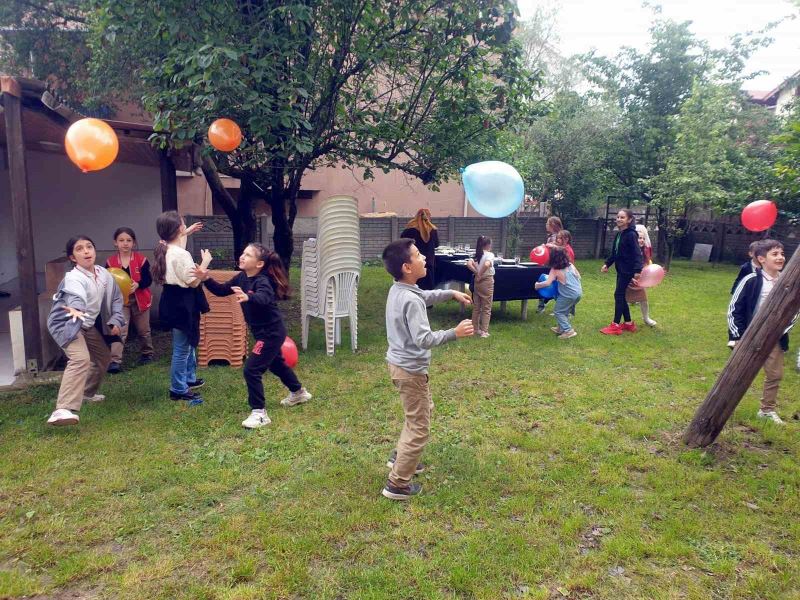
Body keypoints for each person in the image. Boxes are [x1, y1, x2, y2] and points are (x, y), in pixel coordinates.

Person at [381, 238, 473, 500]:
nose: (424, 258)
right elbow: (424, 339)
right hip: (410, 371)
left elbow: (425, 295)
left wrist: (450, 293)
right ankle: (397, 484)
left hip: (400, 366)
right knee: (420, 427)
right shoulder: (411, 301)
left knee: (420, 412)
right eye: (418, 254)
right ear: (407, 267)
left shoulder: (400, 290)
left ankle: (401, 457)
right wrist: (454, 333)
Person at [193, 243, 312, 429]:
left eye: (248, 255)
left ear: (259, 264)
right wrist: (205, 278)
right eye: (243, 253)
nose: (242, 256)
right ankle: (299, 392)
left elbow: (264, 298)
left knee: (251, 370)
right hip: (263, 331)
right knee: (277, 364)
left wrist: (250, 298)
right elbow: (222, 290)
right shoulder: (241, 277)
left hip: (271, 332)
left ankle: (259, 413)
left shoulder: (262, 281)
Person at [46, 235, 126, 426]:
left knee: (103, 358)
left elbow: (116, 298)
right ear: (73, 258)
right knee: (80, 358)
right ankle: (61, 410)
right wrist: (76, 308)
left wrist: (115, 319)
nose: (86, 251)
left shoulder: (104, 274)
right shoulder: (73, 277)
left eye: (89, 246)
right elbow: (76, 297)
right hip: (67, 323)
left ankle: (86, 394)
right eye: (79, 249)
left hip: (86, 325)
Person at [728, 239, 793, 424]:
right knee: (738, 372)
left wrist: (781, 330)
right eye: (775, 254)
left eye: (782, 254)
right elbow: (734, 309)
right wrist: (737, 336)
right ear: (761, 259)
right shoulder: (751, 280)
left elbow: (794, 311)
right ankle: (725, 404)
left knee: (775, 374)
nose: (780, 257)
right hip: (749, 334)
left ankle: (766, 410)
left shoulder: (788, 282)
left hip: (775, 336)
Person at [152, 211, 210, 404]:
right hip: (183, 302)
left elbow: (178, 246)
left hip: (172, 300)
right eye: (184, 225)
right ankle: (178, 388)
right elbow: (192, 282)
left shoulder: (164, 248)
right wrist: (205, 263)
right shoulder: (181, 255)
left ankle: (188, 379)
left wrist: (188, 232)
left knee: (188, 342)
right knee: (182, 348)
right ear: (178, 229)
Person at [105, 227, 154, 372]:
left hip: (140, 299)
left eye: (128, 240)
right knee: (120, 330)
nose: (125, 243)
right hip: (120, 303)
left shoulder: (142, 260)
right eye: (121, 240)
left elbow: (148, 280)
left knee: (144, 330)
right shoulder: (110, 262)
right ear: (115, 243)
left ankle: (147, 354)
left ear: (133, 243)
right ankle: (115, 361)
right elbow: (106, 281)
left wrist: (138, 284)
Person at [600, 209, 643, 335]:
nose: (619, 219)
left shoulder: (631, 234)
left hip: (628, 270)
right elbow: (615, 253)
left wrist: (637, 270)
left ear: (629, 220)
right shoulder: (620, 234)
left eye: (622, 217)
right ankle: (628, 323)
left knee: (618, 295)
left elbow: (637, 253)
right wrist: (607, 264)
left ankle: (615, 325)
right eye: (618, 217)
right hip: (621, 269)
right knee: (620, 295)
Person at [535, 246, 582, 339]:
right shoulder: (570, 265)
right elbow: (578, 276)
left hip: (567, 295)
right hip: (578, 293)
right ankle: (561, 328)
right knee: (565, 311)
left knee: (558, 311)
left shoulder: (555, 269)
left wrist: (537, 285)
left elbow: (547, 282)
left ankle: (568, 331)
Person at [625, 224, 657, 327]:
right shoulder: (629, 251)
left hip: (639, 280)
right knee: (623, 300)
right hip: (628, 279)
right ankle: (623, 319)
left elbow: (646, 265)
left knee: (644, 299)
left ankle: (646, 318)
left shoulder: (643, 252)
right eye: (639, 238)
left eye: (643, 238)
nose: (642, 240)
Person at [400, 208, 440, 290]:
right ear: (428, 217)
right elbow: (436, 244)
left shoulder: (409, 230)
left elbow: (402, 244)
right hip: (429, 262)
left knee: (414, 287)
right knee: (428, 289)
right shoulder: (432, 230)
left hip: (413, 262)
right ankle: (428, 302)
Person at [466, 235, 495, 338]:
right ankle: (484, 331)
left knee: (477, 307)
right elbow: (487, 264)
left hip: (477, 282)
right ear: (487, 245)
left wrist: (476, 273)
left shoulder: (476, 254)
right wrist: (481, 274)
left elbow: (469, 264)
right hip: (486, 281)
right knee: (486, 307)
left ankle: (475, 329)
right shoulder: (490, 255)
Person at [537, 216, 563, 313]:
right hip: (550, 265)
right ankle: (543, 304)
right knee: (550, 283)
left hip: (556, 266)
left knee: (555, 285)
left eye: (548, 223)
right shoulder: (551, 237)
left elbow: (560, 250)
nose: (546, 225)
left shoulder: (559, 237)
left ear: (553, 225)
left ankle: (543, 305)